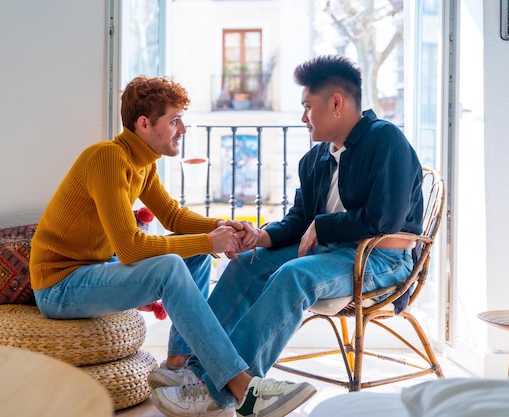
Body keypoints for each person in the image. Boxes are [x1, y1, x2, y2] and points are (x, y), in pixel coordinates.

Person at [150, 55, 424, 415]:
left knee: (292, 275)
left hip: (380, 258)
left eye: (308, 107)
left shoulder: (385, 140)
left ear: (336, 103)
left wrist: (322, 226)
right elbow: (298, 222)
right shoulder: (315, 160)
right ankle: (200, 370)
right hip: (329, 252)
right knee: (246, 264)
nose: (303, 117)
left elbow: (384, 219)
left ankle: (218, 391)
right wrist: (257, 237)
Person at [29, 75, 316, 417]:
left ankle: (178, 365)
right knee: (170, 264)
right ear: (144, 123)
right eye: (174, 121)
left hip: (93, 270)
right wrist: (211, 241)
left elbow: (174, 217)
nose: (183, 129)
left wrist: (226, 227)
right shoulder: (107, 158)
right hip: (59, 286)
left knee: (191, 253)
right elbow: (130, 247)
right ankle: (243, 389)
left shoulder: (143, 163)